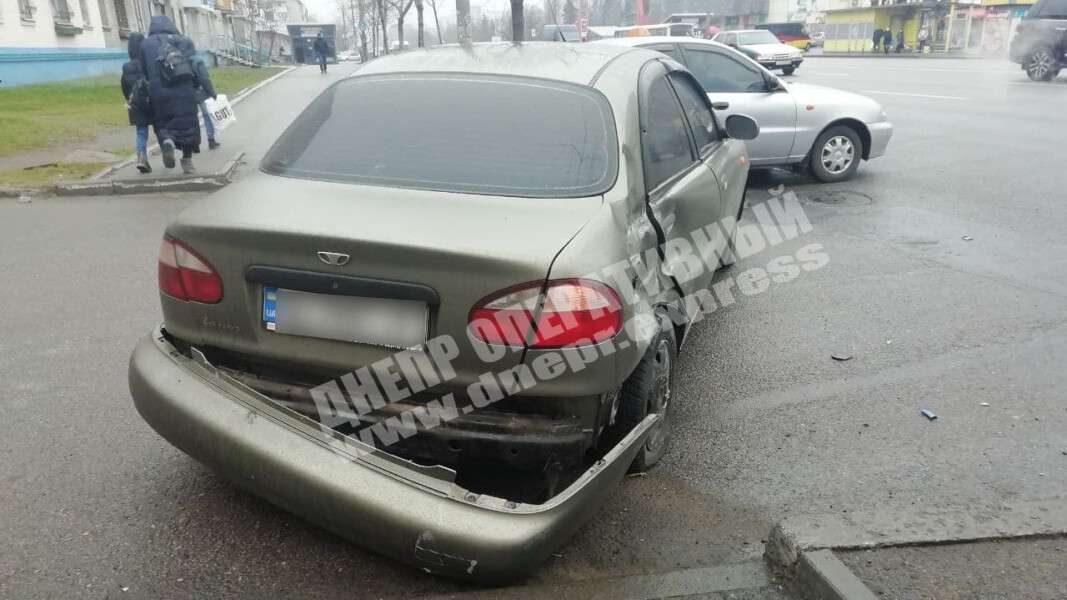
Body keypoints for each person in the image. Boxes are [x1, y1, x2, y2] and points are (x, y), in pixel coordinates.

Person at [140, 15, 202, 174]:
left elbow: (144, 71)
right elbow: (195, 65)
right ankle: (187, 161)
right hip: (184, 90)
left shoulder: (146, 44)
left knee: (163, 122)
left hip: (159, 92)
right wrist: (197, 87)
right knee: (188, 124)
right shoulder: (184, 41)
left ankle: (167, 140)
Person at [120, 33, 154, 174]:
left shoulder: (126, 67)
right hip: (151, 101)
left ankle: (141, 157)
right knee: (160, 127)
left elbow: (124, 87)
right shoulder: (148, 64)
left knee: (141, 132)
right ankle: (166, 152)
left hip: (135, 104)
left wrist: (130, 99)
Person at [192, 54, 220, 150]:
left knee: (192, 118)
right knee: (207, 115)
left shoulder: (180, 59)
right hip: (200, 91)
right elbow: (204, 78)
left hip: (187, 93)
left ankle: (194, 144)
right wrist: (212, 92)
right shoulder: (197, 60)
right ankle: (211, 139)